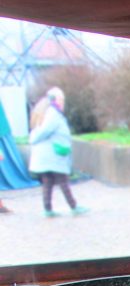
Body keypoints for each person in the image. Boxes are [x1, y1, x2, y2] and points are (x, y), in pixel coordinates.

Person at [28, 88, 87, 217]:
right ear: (56, 100)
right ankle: (74, 206)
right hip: (53, 155)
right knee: (63, 181)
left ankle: (48, 209)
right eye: (61, 99)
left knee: (48, 182)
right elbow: (45, 130)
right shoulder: (52, 114)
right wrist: (33, 138)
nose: (62, 102)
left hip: (46, 156)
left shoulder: (44, 112)